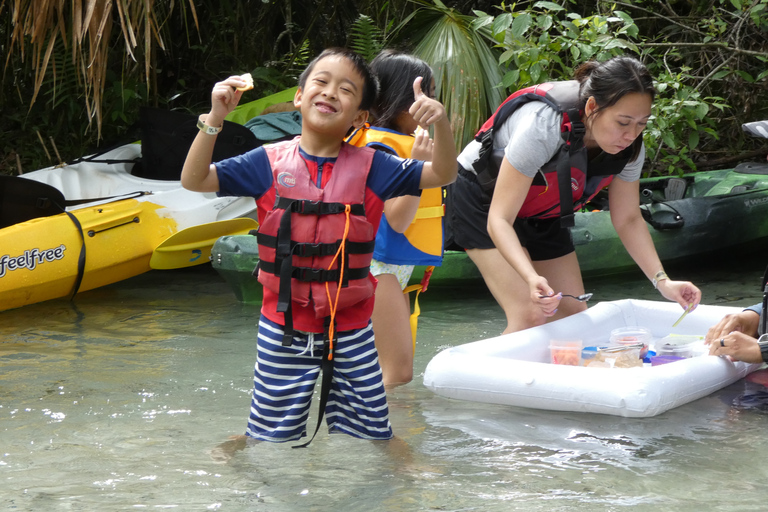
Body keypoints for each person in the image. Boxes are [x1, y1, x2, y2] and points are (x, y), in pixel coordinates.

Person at [181, 47, 457, 445]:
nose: (330, 93)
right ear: (299, 96)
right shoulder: (267, 162)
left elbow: (443, 173)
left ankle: (398, 469)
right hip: (283, 326)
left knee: (376, 431)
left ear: (359, 116)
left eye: (346, 89)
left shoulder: (375, 166)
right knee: (266, 434)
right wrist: (215, 119)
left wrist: (442, 123)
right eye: (321, 82)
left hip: (352, 327)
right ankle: (240, 452)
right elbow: (194, 180)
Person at [445, 55, 701, 334]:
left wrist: (663, 281)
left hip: (543, 208)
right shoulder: (545, 128)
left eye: (641, 123)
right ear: (592, 106)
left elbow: (628, 218)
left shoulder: (631, 148)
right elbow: (500, 218)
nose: (631, 134)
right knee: (531, 315)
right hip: (483, 200)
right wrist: (531, 278)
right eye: (623, 122)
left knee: (572, 317)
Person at [346, 49, 445, 388]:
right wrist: (415, 169)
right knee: (397, 373)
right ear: (396, 97)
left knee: (380, 368)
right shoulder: (380, 148)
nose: (428, 102)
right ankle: (384, 436)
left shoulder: (403, 142)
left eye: (430, 94)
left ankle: (379, 429)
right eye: (421, 94)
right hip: (377, 267)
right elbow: (398, 220)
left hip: (391, 268)